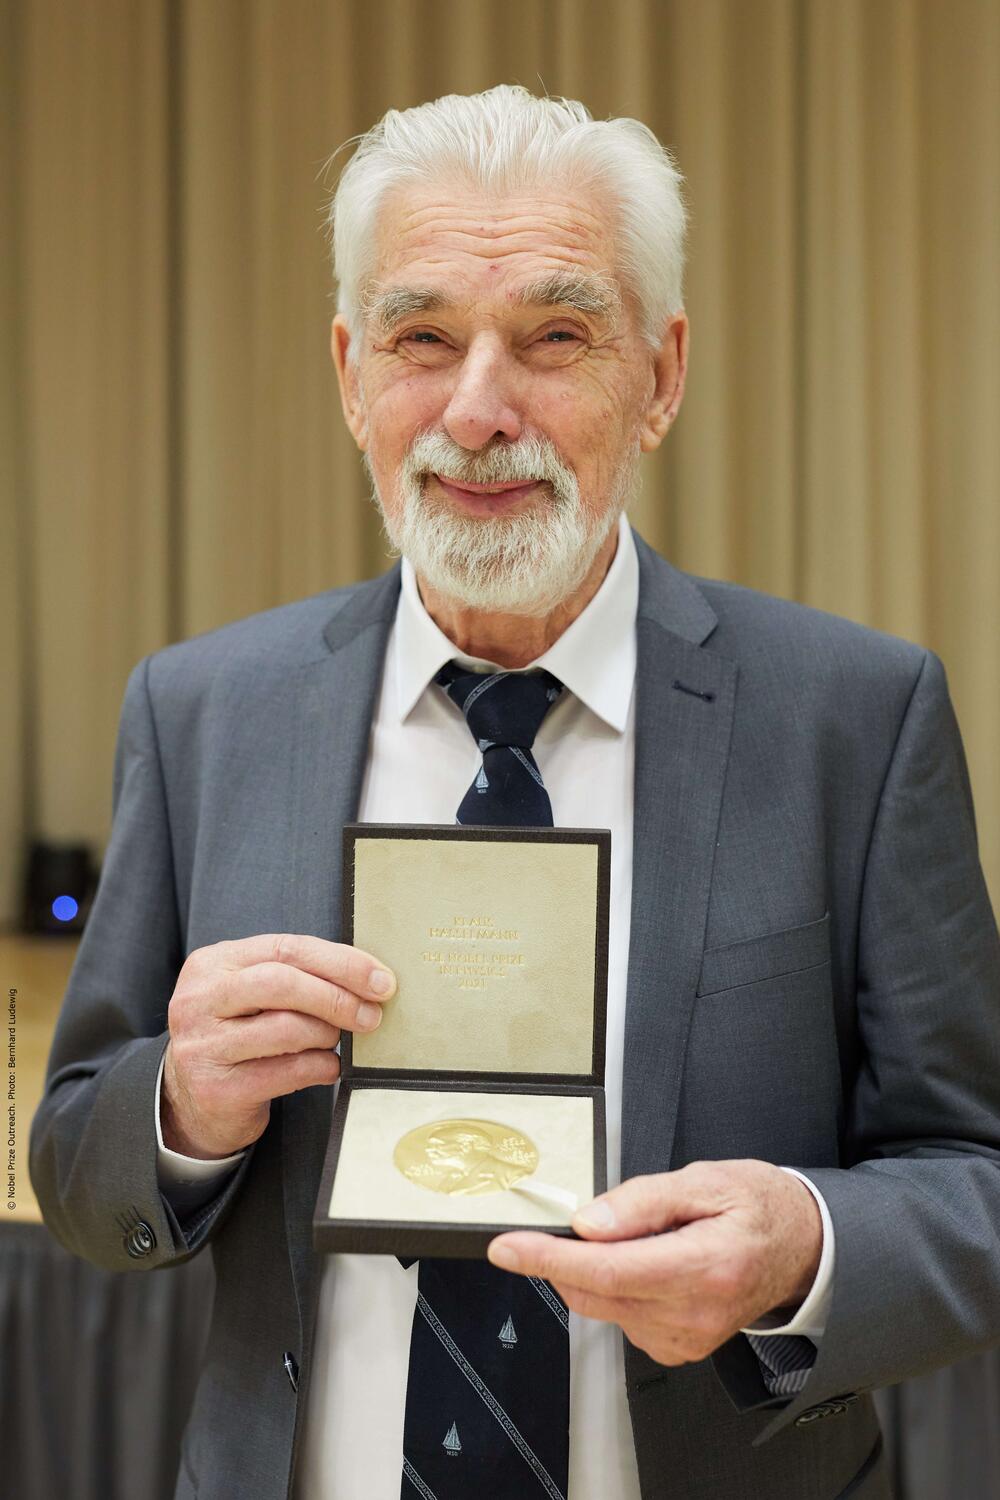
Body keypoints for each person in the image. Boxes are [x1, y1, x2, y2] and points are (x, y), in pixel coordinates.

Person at [29, 85, 1000, 1500]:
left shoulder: (856, 719)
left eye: (556, 336)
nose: (479, 412)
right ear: (351, 372)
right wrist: (179, 1106)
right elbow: (74, 1157)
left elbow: (975, 1173)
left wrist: (806, 1246)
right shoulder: (200, 712)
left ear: (660, 376)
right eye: (422, 338)